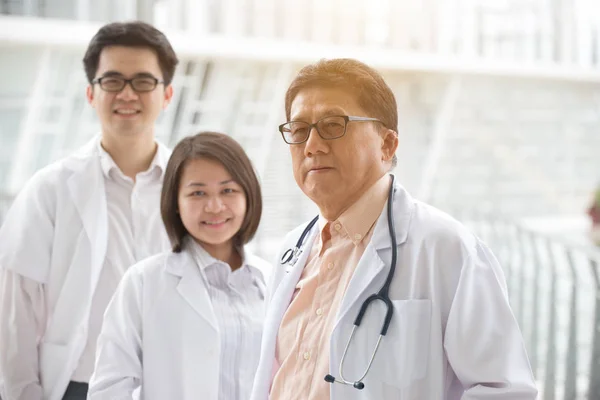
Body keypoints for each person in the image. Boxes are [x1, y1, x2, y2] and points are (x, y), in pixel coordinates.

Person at [250, 58, 538, 400]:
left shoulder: (446, 249)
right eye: (299, 130)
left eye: (332, 124)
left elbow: (506, 391)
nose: (312, 145)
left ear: (387, 145)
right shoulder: (291, 251)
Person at [0, 21, 178, 400]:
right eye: (112, 81)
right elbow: (16, 311)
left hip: (169, 384)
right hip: (76, 387)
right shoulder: (48, 190)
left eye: (143, 82)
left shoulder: (191, 188)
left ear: (167, 95)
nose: (127, 94)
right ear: (90, 93)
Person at [88, 132, 269, 400]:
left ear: (248, 195)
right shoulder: (144, 282)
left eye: (228, 190)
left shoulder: (275, 280)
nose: (215, 206)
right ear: (175, 203)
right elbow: (110, 387)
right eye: (198, 193)